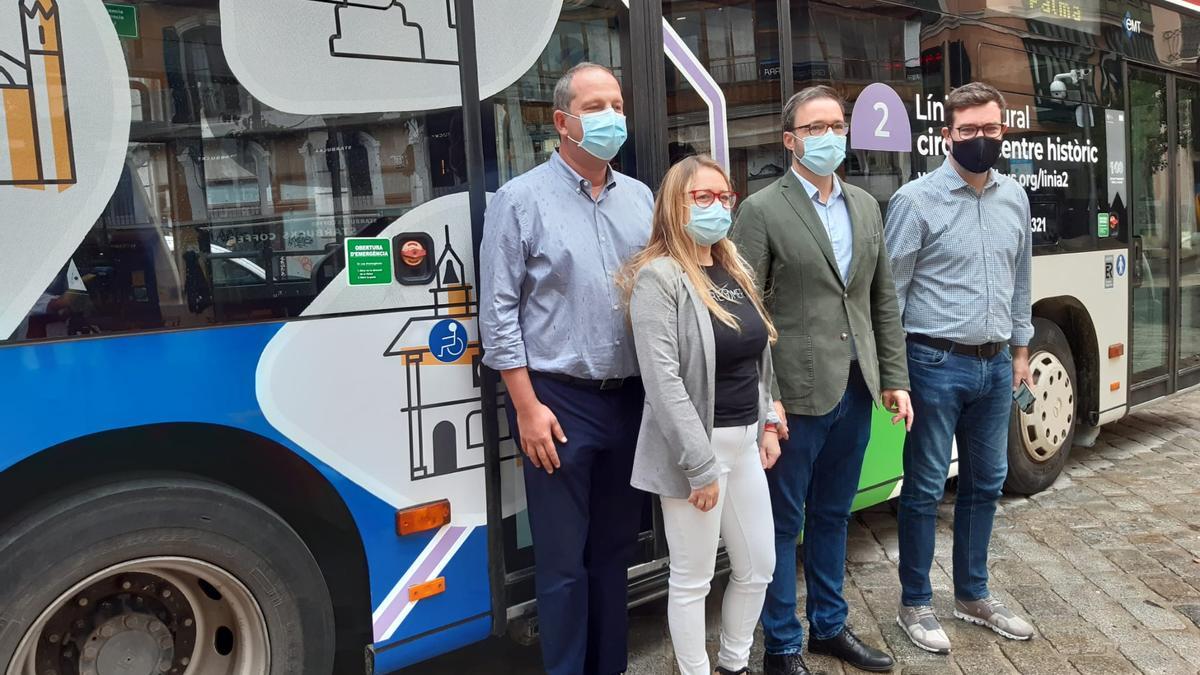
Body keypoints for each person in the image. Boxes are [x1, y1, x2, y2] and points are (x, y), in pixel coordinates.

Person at [478, 62, 653, 675]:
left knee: (613, 554)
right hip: (557, 402)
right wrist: (526, 407)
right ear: (562, 122)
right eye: (596, 106)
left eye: (617, 102)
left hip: (629, 400)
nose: (612, 116)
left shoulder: (641, 199)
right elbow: (497, 312)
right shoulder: (519, 200)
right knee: (560, 564)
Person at [732, 85, 912, 675]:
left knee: (835, 514)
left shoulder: (865, 205)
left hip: (856, 386)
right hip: (795, 395)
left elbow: (880, 299)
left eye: (836, 125)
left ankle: (829, 628)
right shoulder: (761, 210)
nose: (829, 136)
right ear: (790, 141)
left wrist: (894, 376)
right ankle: (781, 646)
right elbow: (745, 312)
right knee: (785, 523)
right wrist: (768, 400)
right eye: (815, 128)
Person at [884, 81, 1036, 654]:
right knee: (924, 487)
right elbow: (890, 296)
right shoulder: (915, 200)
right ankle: (915, 603)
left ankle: (973, 595)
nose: (980, 139)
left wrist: (1021, 352)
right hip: (934, 363)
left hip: (997, 367)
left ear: (1003, 130)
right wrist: (894, 375)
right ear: (947, 133)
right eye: (968, 130)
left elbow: (1022, 281)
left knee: (987, 483)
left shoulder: (1014, 197)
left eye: (990, 129)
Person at [624, 155, 781, 675]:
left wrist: (768, 421)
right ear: (675, 205)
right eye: (703, 198)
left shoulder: (733, 265)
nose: (718, 207)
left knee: (759, 565)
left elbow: (758, 354)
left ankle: (734, 663)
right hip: (699, 447)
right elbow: (663, 380)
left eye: (724, 197)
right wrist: (698, 465)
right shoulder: (659, 277)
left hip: (744, 439)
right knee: (693, 577)